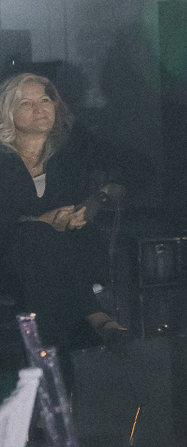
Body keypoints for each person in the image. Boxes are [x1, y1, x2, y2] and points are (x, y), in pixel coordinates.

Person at [0, 73, 125, 348]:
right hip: (10, 261)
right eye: (26, 103)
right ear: (7, 113)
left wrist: (94, 202)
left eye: (45, 100)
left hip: (69, 254)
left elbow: (133, 174)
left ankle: (53, 354)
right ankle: (96, 317)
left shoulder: (71, 153)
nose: (39, 108)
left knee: (49, 249)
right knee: (34, 236)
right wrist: (38, 222)